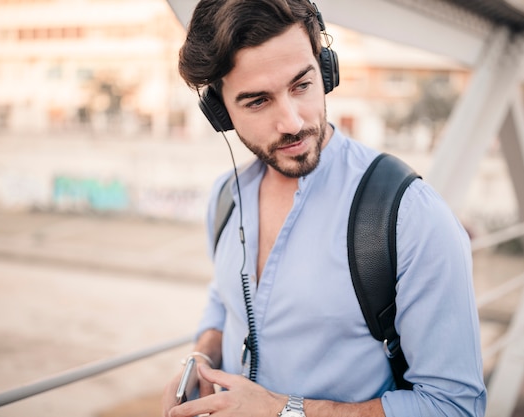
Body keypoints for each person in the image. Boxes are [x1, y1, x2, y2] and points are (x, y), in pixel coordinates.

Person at [161, 1, 487, 416]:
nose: (293, 122)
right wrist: (201, 359)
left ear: (325, 69)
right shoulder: (226, 197)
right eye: (258, 101)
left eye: (301, 85)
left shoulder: (411, 216)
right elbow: (225, 299)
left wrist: (283, 411)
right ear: (221, 113)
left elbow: (454, 408)